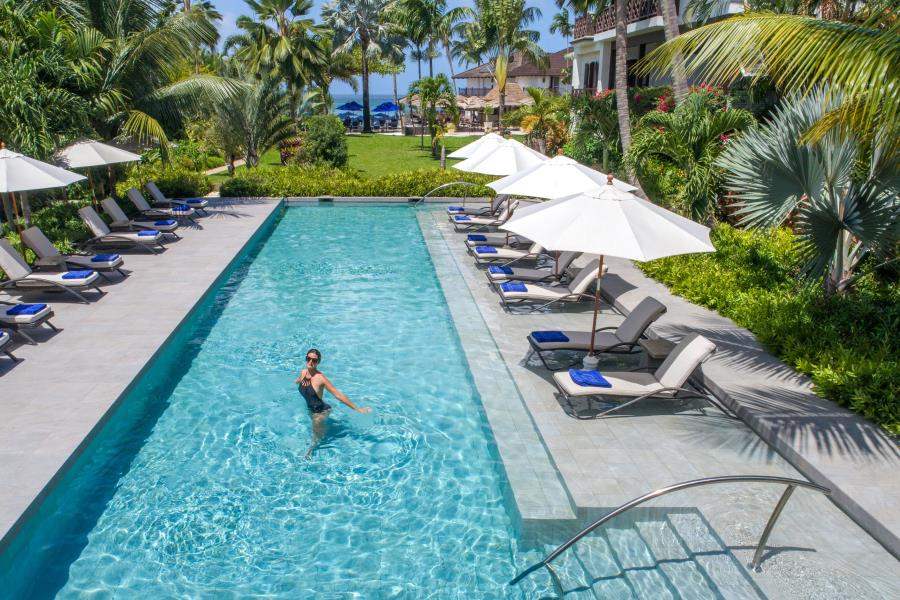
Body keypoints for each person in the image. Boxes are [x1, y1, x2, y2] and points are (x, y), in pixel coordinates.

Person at [295, 348, 370, 458]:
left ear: (318, 362)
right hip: (311, 409)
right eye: (308, 358)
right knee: (319, 426)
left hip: (321, 411)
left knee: (316, 432)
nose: (310, 362)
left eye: (314, 360)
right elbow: (298, 382)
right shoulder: (303, 372)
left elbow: (338, 394)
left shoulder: (320, 378)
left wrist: (358, 409)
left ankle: (311, 450)